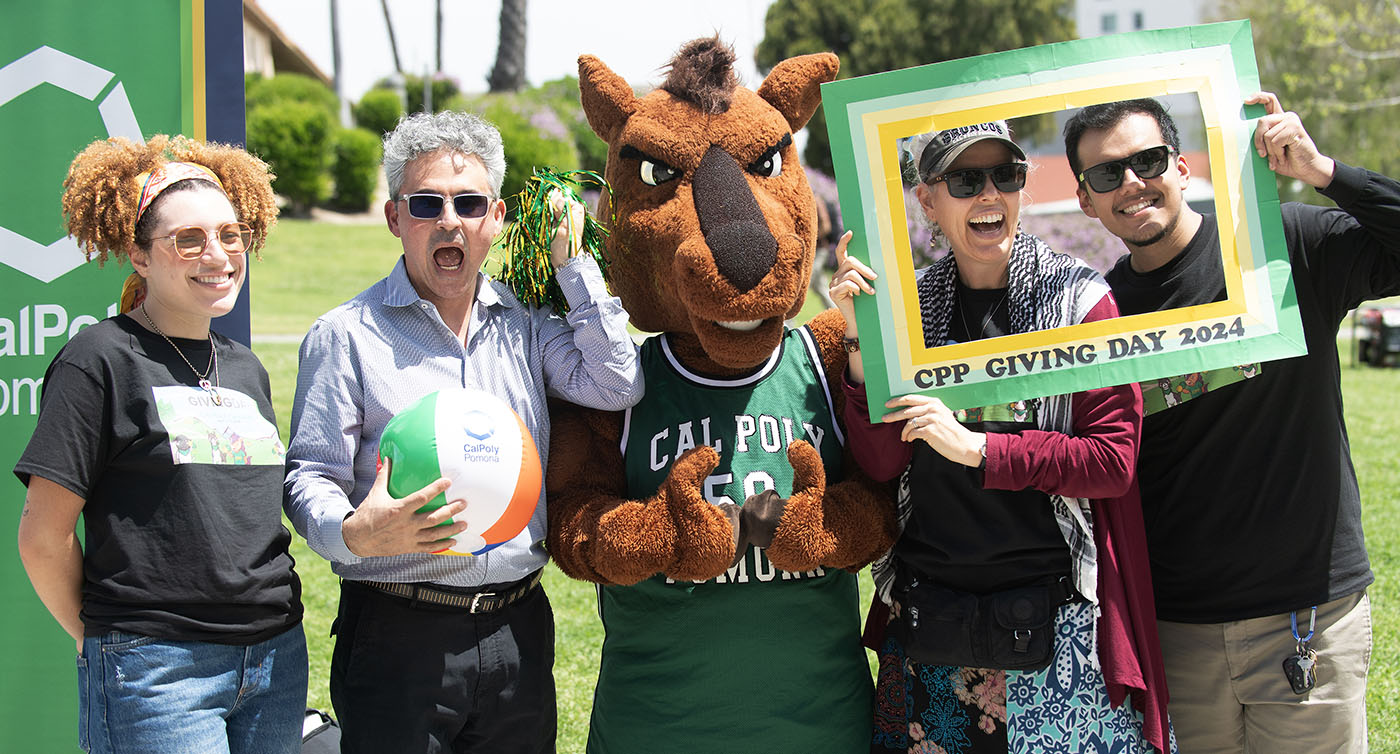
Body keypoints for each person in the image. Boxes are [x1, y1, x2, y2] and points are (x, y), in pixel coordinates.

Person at [283, 110, 643, 753]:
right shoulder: (346, 335)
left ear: (496, 217)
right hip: (398, 631)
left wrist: (574, 267)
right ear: (396, 219)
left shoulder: (525, 325)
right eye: (426, 204)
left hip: (519, 630)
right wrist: (351, 532)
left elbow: (617, 384)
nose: (450, 220)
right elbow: (309, 475)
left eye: (469, 203)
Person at [1064, 93, 1400, 753]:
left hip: (1308, 621)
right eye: (1108, 174)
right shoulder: (1094, 315)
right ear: (1085, 200)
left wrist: (1323, 171)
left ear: (1182, 166)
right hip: (1176, 631)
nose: (1132, 183)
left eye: (1149, 159)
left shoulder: (1287, 246)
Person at [830, 121, 1172, 753]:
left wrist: (980, 450)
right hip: (931, 622)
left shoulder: (1081, 301)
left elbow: (1112, 461)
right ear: (928, 200)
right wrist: (857, 340)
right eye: (964, 179)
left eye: (1005, 176)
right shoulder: (905, 312)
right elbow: (879, 464)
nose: (988, 194)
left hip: (1056, 623)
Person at [14, 135, 306, 753]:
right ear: (140, 256)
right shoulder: (99, 360)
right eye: (188, 240)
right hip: (158, 671)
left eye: (230, 235)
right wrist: (106, 644)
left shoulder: (245, 367)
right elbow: (43, 539)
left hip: (275, 660)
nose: (217, 255)